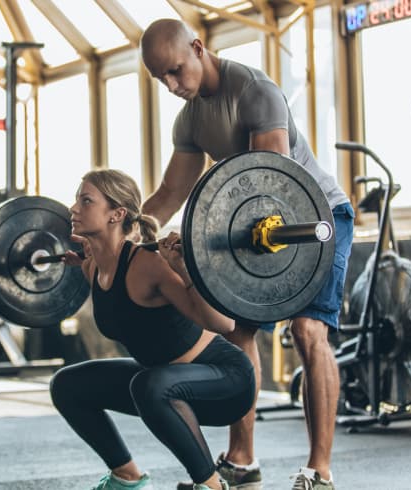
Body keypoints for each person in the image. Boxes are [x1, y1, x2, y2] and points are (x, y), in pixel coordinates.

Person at [139, 18, 354, 490]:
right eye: (161, 79)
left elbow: (268, 186)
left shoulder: (256, 92)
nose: (172, 86)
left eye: (175, 71)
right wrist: (125, 230)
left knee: (307, 328)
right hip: (254, 226)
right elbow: (170, 193)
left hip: (314, 219)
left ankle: (320, 469)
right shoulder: (191, 117)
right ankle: (242, 459)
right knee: (239, 332)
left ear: (198, 48)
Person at [50, 169, 256, 490]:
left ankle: (212, 485)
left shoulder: (148, 265)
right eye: (77, 200)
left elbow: (224, 324)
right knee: (67, 385)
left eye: (86, 201)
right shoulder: (92, 267)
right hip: (162, 382)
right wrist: (81, 260)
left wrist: (184, 270)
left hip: (224, 380)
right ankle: (127, 477)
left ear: (116, 214)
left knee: (149, 384)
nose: (74, 208)